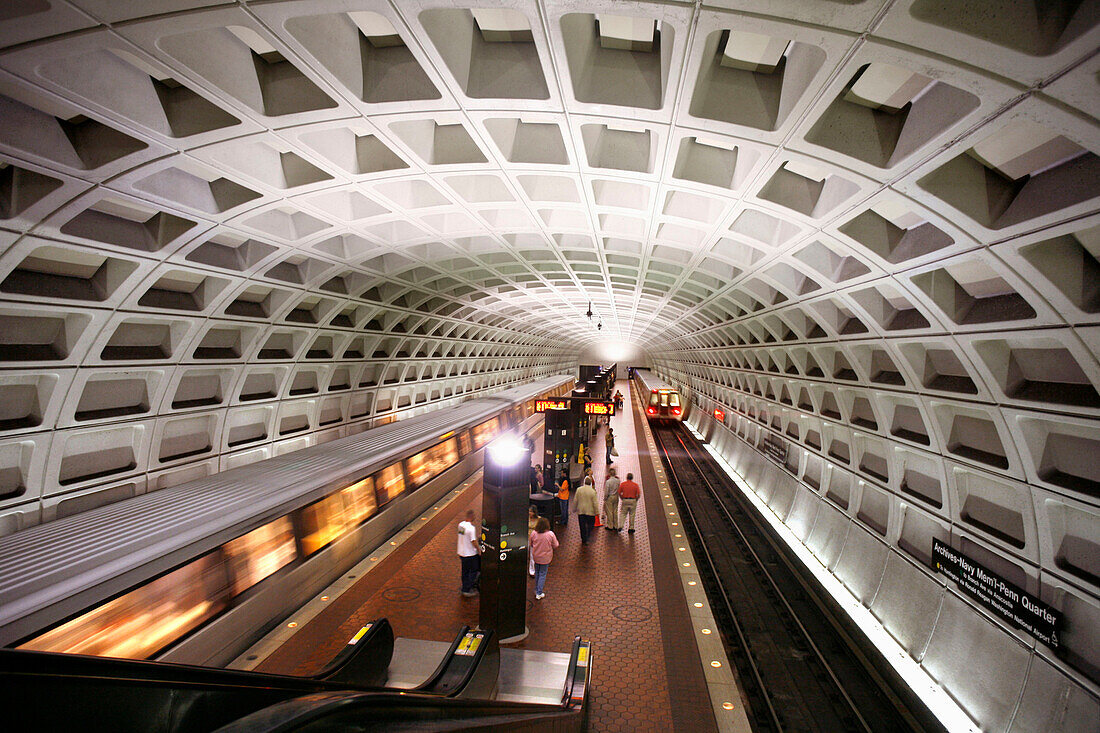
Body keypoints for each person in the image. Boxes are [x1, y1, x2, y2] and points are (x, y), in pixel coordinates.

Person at [529, 516, 559, 600]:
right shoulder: (550, 534)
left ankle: (536, 588)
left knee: (537, 572)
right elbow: (556, 545)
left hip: (536, 556)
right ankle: (539, 592)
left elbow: (531, 543)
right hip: (545, 558)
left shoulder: (534, 533)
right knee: (543, 573)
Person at [457, 509, 481, 596]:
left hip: (461, 552)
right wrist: (479, 550)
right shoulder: (471, 528)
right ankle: (467, 588)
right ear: (471, 516)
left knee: (465, 571)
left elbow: (463, 536)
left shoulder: (461, 525)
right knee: (474, 570)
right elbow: (473, 541)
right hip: (470, 554)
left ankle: (464, 587)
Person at [574, 475, 599, 544]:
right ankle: (587, 535)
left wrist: (574, 508)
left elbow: (576, 500)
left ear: (584, 482)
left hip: (581, 511)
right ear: (590, 483)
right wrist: (597, 511)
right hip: (590, 512)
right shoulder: (593, 491)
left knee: (582, 525)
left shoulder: (579, 489)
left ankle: (583, 538)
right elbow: (595, 503)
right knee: (590, 524)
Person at [527, 505, 539, 576]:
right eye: (529, 511)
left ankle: (532, 570)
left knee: (532, 555)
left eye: (531, 511)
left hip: (534, 539)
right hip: (526, 537)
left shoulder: (538, 519)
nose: (529, 513)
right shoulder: (526, 518)